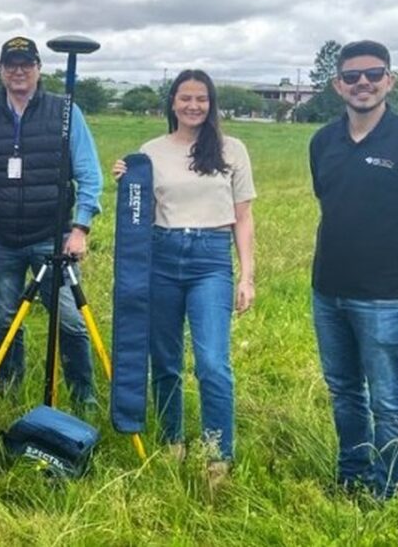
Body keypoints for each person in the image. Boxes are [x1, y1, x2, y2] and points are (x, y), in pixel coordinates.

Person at [113, 69, 255, 486]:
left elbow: (244, 217)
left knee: (212, 364)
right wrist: (127, 179)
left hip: (211, 258)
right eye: (185, 98)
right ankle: (171, 440)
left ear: (211, 104)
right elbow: (140, 212)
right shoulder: (150, 151)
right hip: (162, 255)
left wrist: (247, 276)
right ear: (172, 102)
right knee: (165, 361)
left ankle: (217, 455)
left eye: (202, 99)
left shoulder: (232, 149)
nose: (194, 106)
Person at [309, 40, 398, 499]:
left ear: (390, 80)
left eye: (374, 74)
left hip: (388, 295)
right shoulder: (323, 142)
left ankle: (389, 490)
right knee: (344, 391)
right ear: (338, 84)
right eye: (352, 76)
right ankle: (352, 475)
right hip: (328, 289)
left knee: (389, 399)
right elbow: (329, 202)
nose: (363, 83)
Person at [0, 36, 102, 407]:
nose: (19, 71)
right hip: (1, 240)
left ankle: (83, 396)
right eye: (11, 64)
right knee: (5, 321)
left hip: (52, 238)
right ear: (1, 71)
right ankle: (8, 392)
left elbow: (89, 174)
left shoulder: (65, 112)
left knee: (70, 321)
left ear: (39, 69)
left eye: (26, 64)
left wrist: (80, 228)